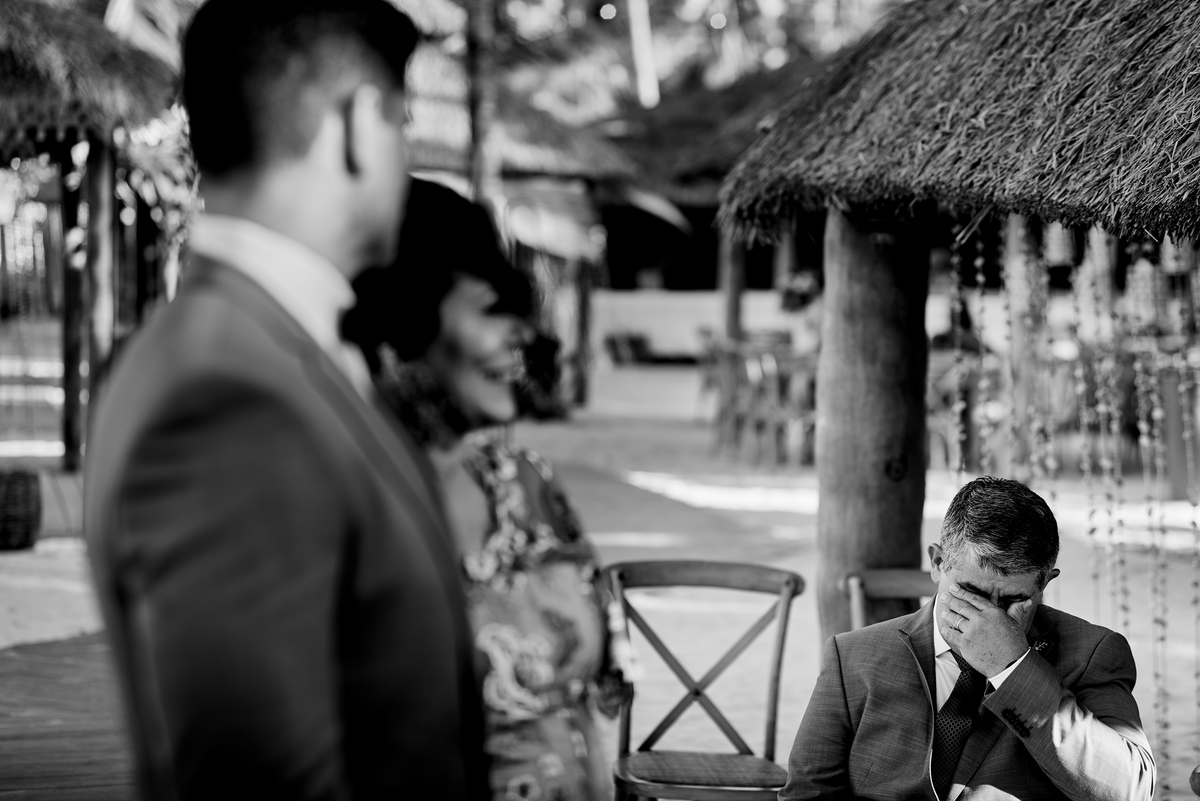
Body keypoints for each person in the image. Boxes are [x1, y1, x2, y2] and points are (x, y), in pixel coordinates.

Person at [83, 3, 487, 799]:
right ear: (354, 126)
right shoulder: (225, 396)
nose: (405, 161)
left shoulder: (264, 346)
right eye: (400, 125)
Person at [342, 178, 638, 801]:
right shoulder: (331, 510)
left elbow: (588, 708)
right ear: (399, 325)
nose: (522, 333)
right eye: (488, 308)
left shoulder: (527, 484)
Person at [779, 476, 1155, 801]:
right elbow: (807, 793)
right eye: (971, 593)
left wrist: (1014, 669)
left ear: (1045, 583)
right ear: (938, 563)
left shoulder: (1092, 652)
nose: (987, 617)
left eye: (1013, 600)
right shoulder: (852, 657)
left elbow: (1132, 789)